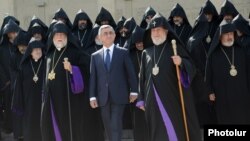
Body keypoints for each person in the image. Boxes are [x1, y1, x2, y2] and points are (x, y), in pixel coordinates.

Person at [137, 13, 201, 141]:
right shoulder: (146, 53)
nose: (156, 33)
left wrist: (181, 62)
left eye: (159, 30)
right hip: (152, 101)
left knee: (173, 130)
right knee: (156, 132)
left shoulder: (174, 49)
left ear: (166, 31)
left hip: (171, 98)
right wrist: (141, 98)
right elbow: (142, 77)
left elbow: (192, 68)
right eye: (153, 30)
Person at [89, 25, 138, 141]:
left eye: (111, 33)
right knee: (107, 125)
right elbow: (93, 78)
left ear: (115, 35)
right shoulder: (95, 56)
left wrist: (134, 91)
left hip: (119, 95)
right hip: (103, 97)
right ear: (100, 37)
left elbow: (131, 73)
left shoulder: (123, 52)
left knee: (115, 123)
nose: (109, 35)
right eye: (105, 33)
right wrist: (92, 96)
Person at [41, 21, 84, 141]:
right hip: (51, 99)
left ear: (67, 37)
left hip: (68, 99)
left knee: (68, 128)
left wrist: (72, 69)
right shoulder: (49, 54)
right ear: (52, 37)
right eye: (57, 35)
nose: (59, 37)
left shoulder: (75, 52)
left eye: (62, 35)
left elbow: (85, 71)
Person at [206, 20, 250, 124]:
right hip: (223, 96)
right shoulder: (213, 55)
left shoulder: (241, 51)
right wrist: (209, 91)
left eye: (231, 33)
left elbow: (248, 71)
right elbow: (208, 75)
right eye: (226, 34)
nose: (229, 36)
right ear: (220, 36)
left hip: (242, 93)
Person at [187, 12, 217, 128]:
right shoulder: (195, 41)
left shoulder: (192, 39)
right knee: (205, 109)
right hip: (201, 80)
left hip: (197, 81)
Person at [12, 38, 45, 141]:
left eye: (39, 49)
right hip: (28, 103)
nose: (38, 51)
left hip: (43, 102)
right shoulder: (24, 66)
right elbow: (18, 87)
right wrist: (19, 102)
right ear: (30, 52)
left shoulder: (46, 63)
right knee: (29, 127)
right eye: (35, 49)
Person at [129, 25, 149, 141]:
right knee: (138, 121)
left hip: (149, 90)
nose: (139, 44)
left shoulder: (150, 52)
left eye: (141, 42)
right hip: (136, 92)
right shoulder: (130, 55)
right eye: (137, 43)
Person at [0, 19, 20, 134]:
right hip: (7, 82)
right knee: (8, 105)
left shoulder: (20, 46)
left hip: (19, 81)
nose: (11, 35)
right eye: (9, 33)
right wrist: (6, 80)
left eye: (13, 32)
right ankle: (9, 127)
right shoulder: (2, 49)